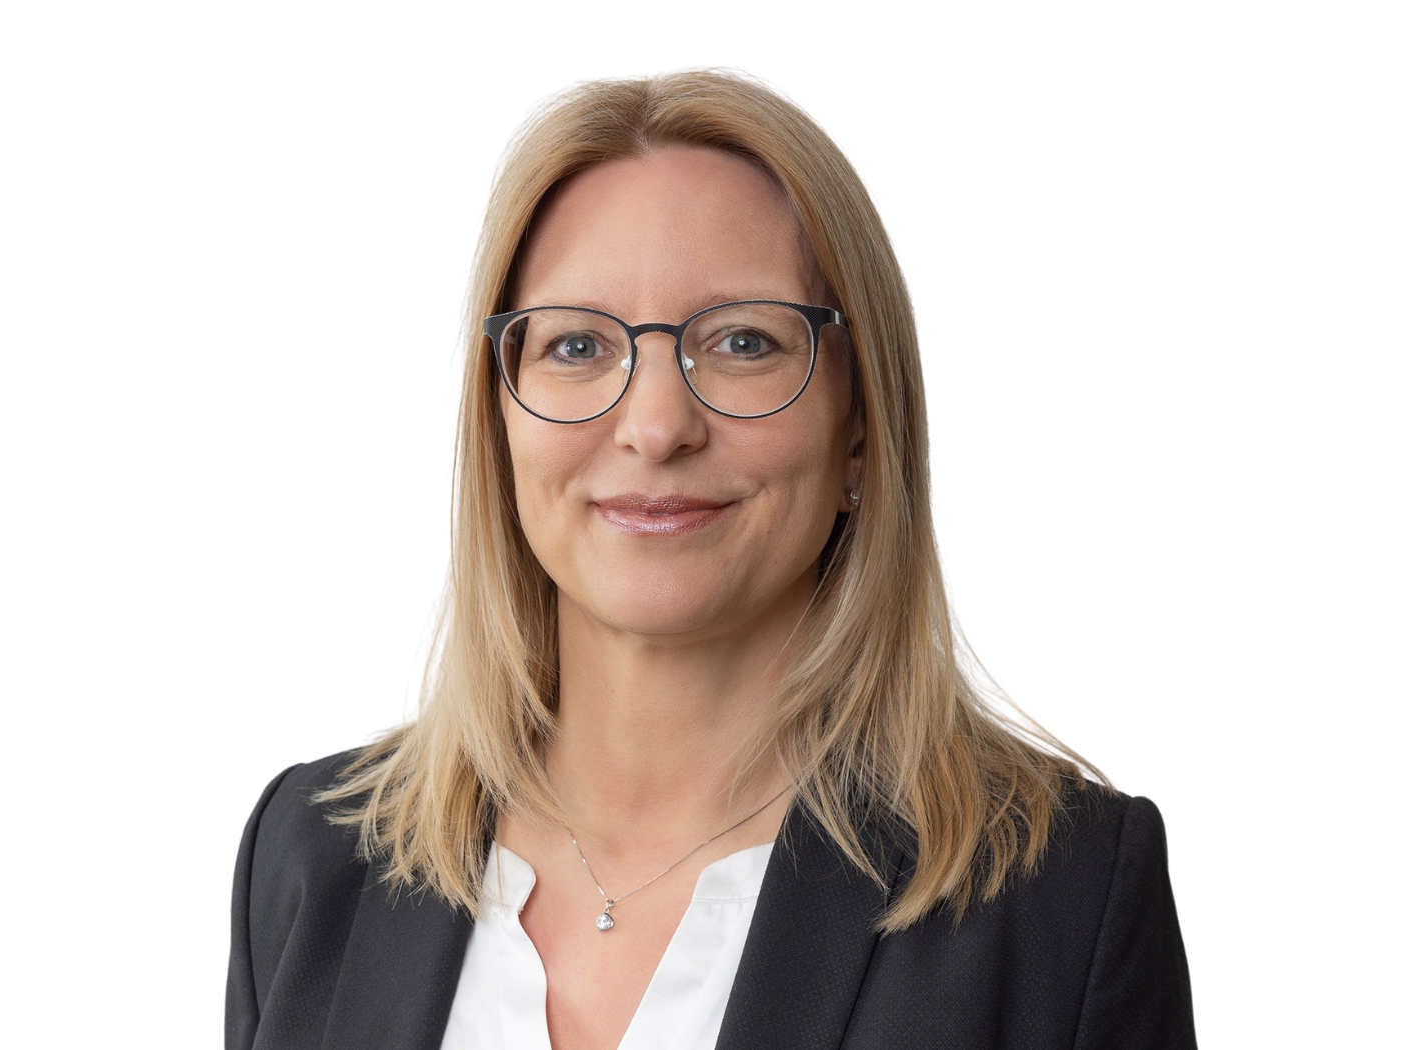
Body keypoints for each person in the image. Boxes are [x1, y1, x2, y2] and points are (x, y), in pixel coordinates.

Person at [225, 69, 1196, 1050]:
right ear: (499, 420)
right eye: (576, 347)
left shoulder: (1059, 899)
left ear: (860, 430)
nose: (655, 427)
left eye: (741, 341)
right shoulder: (313, 857)